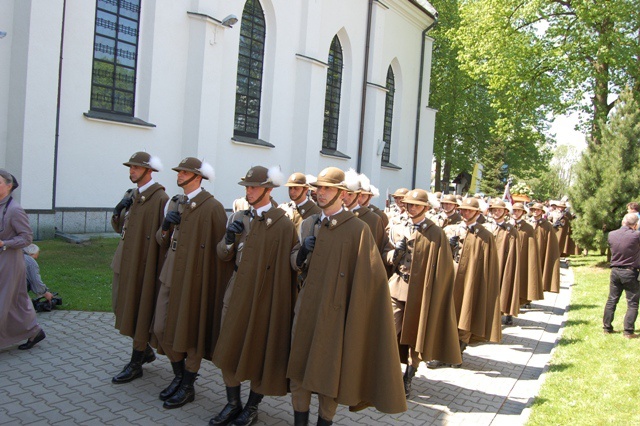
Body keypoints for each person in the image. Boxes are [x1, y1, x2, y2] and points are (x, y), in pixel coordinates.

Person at [288, 167, 406, 425]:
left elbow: (369, 281)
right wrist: (301, 255)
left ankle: (324, 421)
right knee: (298, 372)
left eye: (327, 188)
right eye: (318, 188)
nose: (320, 193)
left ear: (342, 193)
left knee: (328, 376)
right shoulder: (309, 224)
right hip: (306, 308)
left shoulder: (358, 230)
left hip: (334, 316)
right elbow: (294, 261)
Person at [211, 166, 297, 426]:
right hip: (236, 289)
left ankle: (251, 406)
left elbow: (288, 268)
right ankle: (232, 403)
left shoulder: (282, 224)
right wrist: (228, 238)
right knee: (228, 345)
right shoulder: (240, 216)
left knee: (259, 350)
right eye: (246, 187)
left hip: (264, 296)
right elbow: (223, 254)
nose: (248, 191)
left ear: (269, 190)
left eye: (254, 187)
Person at [153, 157, 233, 409]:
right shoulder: (176, 203)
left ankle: (187, 384)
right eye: (179, 171)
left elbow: (219, 253)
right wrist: (166, 226)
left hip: (195, 280)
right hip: (171, 274)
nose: (179, 175)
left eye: (185, 172)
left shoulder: (212, 207)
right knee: (160, 327)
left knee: (191, 333)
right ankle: (179, 375)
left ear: (197, 177)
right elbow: (161, 241)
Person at [386, 189, 460, 396]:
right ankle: (385, 373)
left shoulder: (436, 233)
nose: (412, 208)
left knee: (414, 337)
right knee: (389, 330)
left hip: (421, 293)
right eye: (409, 205)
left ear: (426, 208)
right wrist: (394, 253)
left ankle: (408, 375)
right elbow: (385, 254)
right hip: (398, 286)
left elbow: (444, 267)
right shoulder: (398, 226)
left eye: (417, 205)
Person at [109, 152, 169, 384]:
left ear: (148, 171)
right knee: (120, 306)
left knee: (139, 309)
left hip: (143, 264)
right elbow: (119, 228)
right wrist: (118, 210)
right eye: (131, 167)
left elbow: (162, 238)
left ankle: (136, 361)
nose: (131, 171)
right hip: (124, 260)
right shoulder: (131, 195)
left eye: (136, 168)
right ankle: (144, 351)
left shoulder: (161, 199)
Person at [439, 197, 500, 367]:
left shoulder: (485, 235)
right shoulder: (450, 230)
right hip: (451, 278)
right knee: (447, 315)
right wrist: (448, 246)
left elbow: (487, 264)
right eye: (463, 210)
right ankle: (444, 352)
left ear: (477, 213)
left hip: (470, 281)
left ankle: (458, 351)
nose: (465, 213)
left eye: (469, 210)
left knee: (465, 314)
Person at [0, 170, 45, 350]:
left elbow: (27, 238)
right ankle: (34, 331)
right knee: (16, 300)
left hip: (9, 261)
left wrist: (5, 243)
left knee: (5, 300)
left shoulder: (15, 209)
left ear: (9, 186)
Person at [603, 213, 640, 338]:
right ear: (635, 225)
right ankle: (628, 331)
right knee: (632, 302)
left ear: (623, 222)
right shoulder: (636, 235)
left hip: (615, 270)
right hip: (630, 271)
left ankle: (607, 327)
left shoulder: (612, 234)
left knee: (612, 299)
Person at [485, 200, 520, 325]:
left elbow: (513, 253)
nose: (496, 212)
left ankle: (506, 312)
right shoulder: (485, 227)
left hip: (502, 263)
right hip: (486, 265)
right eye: (494, 209)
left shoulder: (511, 230)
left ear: (505, 212)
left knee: (502, 287)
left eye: (499, 210)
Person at [528, 203, 560, 295]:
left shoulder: (547, 225)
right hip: (528, 251)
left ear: (542, 212)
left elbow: (551, 241)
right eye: (534, 210)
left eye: (537, 210)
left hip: (540, 251)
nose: (535, 211)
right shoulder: (527, 222)